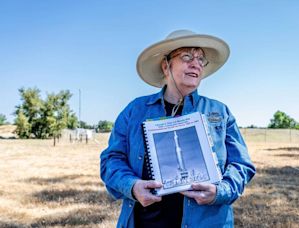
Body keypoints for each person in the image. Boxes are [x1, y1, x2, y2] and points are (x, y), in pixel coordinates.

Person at [100, 29, 256, 228]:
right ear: (166, 66)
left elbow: (241, 165)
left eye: (201, 59)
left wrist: (220, 191)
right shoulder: (135, 111)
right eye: (187, 56)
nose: (196, 63)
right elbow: (111, 160)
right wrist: (132, 186)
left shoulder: (220, 111)